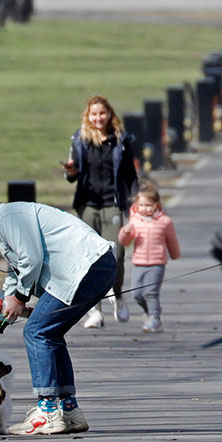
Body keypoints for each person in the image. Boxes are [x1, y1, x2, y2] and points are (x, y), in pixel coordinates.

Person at [0, 176, 116, 436]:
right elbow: (14, 280)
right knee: (50, 333)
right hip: (96, 265)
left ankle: (47, 412)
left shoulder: (6, 217)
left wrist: (20, 298)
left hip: (86, 266)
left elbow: (32, 259)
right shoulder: (6, 226)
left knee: (37, 332)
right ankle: (69, 410)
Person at [63, 96, 138, 328]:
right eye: (94, 114)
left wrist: (135, 205)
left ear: (110, 115)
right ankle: (94, 309)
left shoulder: (121, 141)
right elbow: (71, 176)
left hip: (112, 203)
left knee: (116, 255)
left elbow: (130, 176)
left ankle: (119, 297)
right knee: (89, 258)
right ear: (88, 116)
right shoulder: (79, 140)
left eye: (102, 114)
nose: (98, 118)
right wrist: (70, 171)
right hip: (87, 204)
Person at [117, 180, 181, 334]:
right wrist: (125, 231)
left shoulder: (165, 222)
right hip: (139, 262)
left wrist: (174, 254)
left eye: (148, 205)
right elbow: (125, 242)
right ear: (136, 206)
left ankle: (155, 318)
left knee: (150, 292)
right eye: (142, 206)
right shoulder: (134, 221)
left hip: (157, 263)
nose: (145, 209)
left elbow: (171, 239)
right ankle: (150, 311)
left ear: (157, 205)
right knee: (137, 294)